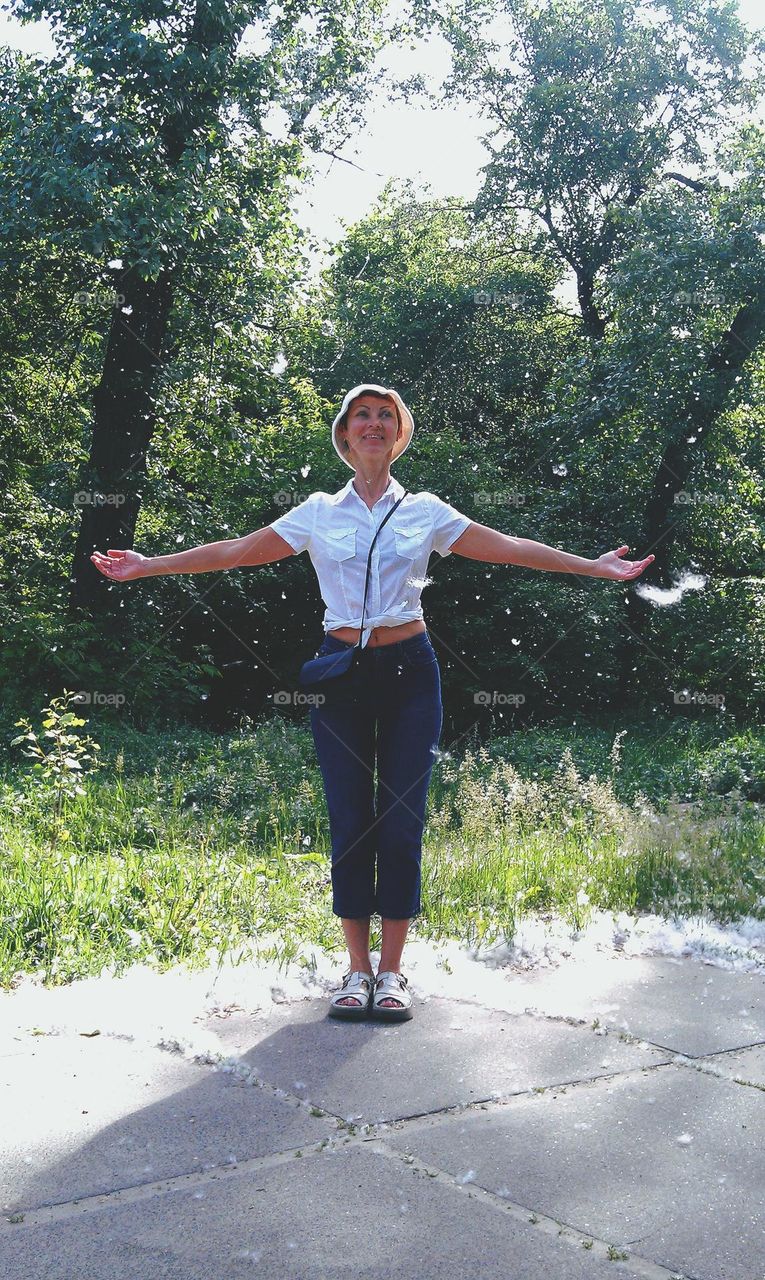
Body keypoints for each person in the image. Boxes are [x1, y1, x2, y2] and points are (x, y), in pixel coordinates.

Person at [91, 382, 654, 1023]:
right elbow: (236, 552)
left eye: (386, 416)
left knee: (402, 818)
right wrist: (148, 564)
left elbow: (511, 548)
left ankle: (392, 972)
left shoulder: (427, 511)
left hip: (412, 671)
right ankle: (354, 971)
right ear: (345, 433)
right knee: (351, 817)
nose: (374, 424)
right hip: (340, 674)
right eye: (363, 415)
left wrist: (593, 566)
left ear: (400, 434)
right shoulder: (316, 513)